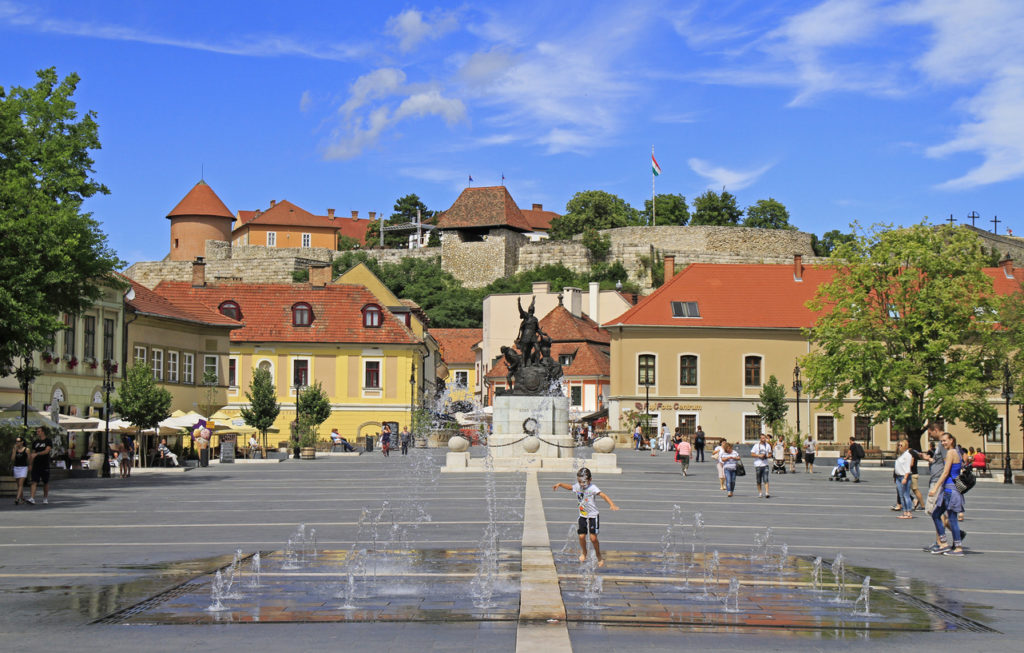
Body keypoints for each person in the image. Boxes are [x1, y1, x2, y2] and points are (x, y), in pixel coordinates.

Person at [552, 467, 619, 567]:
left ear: (590, 480)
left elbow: (603, 495)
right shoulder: (578, 486)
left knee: (593, 538)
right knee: (581, 536)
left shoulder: (592, 488)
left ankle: (598, 555)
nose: (582, 484)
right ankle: (584, 552)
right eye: (579, 482)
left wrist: (611, 504)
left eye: (584, 482)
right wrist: (560, 484)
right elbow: (570, 487)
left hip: (593, 516)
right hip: (583, 515)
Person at [926, 432, 966, 556]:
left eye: (945, 440)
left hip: (950, 489)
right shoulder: (958, 452)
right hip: (950, 489)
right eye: (941, 441)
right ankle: (943, 544)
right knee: (936, 514)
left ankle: (958, 547)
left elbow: (945, 472)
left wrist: (935, 488)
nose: (943, 443)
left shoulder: (950, 453)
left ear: (951, 440)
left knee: (952, 518)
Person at [27, 427, 52, 505]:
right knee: (34, 481)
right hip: (36, 465)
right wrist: (30, 464)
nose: (37, 433)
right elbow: (32, 454)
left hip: (45, 464)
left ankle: (45, 498)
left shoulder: (48, 441)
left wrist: (37, 454)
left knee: (45, 482)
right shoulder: (35, 442)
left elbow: (47, 451)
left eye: (39, 431)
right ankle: (32, 498)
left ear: (43, 432)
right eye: (37, 431)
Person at [894, 440, 914, 519]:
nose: (899, 447)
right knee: (901, 495)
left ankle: (909, 512)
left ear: (905, 446)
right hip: (898, 477)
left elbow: (907, 468)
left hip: (904, 476)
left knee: (906, 495)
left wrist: (905, 478)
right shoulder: (900, 455)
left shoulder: (907, 455)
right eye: (899, 445)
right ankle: (905, 512)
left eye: (901, 445)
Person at [751, 433, 772, 498]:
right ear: (760, 439)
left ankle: (767, 492)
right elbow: (752, 454)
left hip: (765, 464)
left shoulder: (768, 445)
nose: (764, 439)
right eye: (762, 438)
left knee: (766, 479)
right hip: (758, 465)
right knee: (758, 480)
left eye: (764, 438)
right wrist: (759, 455)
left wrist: (766, 456)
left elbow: (770, 454)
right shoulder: (756, 446)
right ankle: (760, 493)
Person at [11, 436, 29, 505]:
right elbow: (12, 459)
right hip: (16, 467)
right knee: (18, 485)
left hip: (23, 468)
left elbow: (29, 458)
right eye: (16, 441)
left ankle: (17, 498)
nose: (17, 443)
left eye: (18, 441)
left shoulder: (26, 449)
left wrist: (30, 465)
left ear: (22, 442)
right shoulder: (15, 449)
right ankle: (22, 498)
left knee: (21, 484)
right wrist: (15, 450)